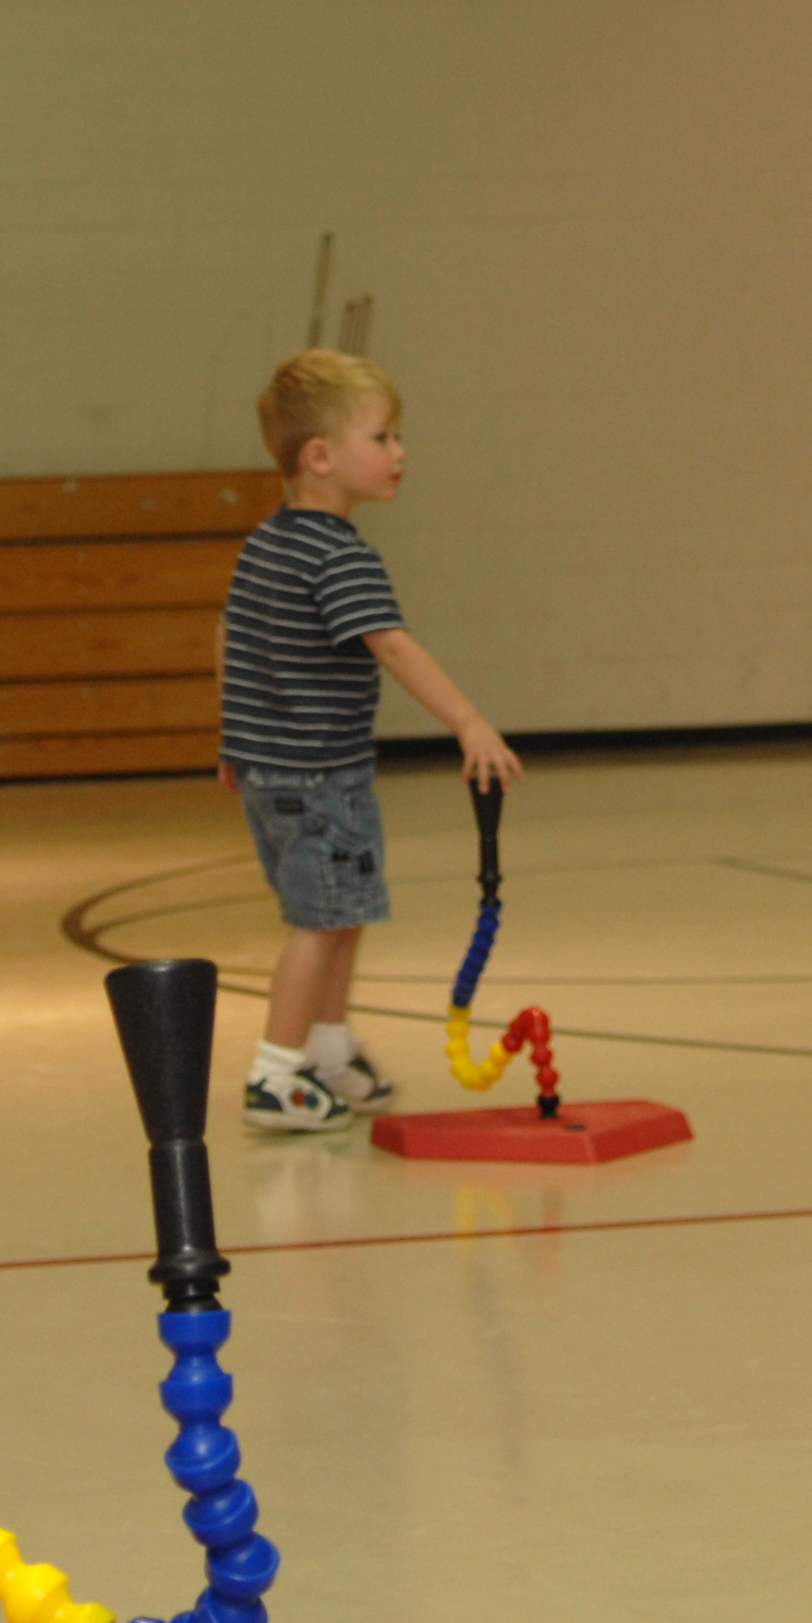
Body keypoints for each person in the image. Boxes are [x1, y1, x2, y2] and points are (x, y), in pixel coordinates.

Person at [218, 351, 522, 1131]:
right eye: (382, 437)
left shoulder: (266, 544)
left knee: (339, 912)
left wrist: (235, 743)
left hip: (272, 771)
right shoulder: (339, 556)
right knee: (319, 926)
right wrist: (467, 721)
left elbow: (234, 644)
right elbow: (390, 643)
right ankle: (275, 1074)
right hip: (319, 779)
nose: (399, 453)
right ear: (320, 457)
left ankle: (324, 1049)